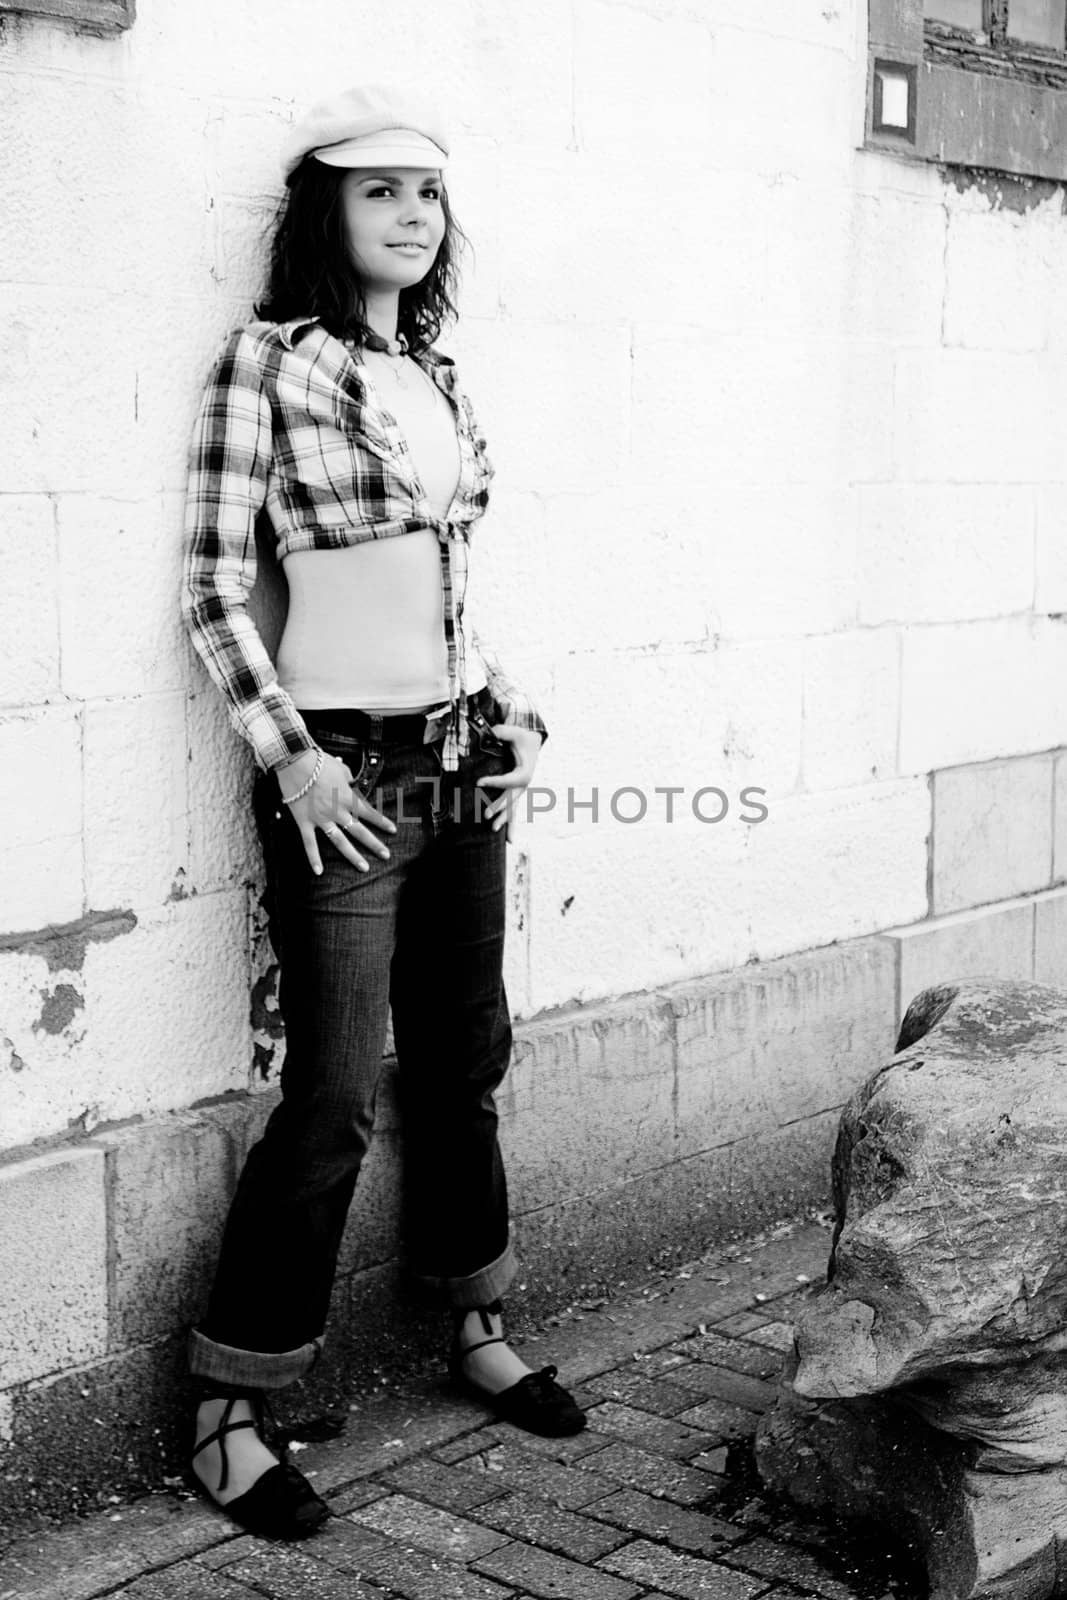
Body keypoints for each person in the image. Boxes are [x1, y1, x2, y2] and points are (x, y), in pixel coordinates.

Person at [180, 83, 584, 1542]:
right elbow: (217, 587)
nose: (414, 215)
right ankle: (231, 1405)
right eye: (381, 192)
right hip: (341, 768)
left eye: (430, 195)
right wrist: (293, 759)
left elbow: (444, 582)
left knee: (465, 1053)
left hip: (458, 758)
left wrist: (502, 699)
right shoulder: (268, 365)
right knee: (337, 1091)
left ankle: (474, 1322)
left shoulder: (442, 375)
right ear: (323, 216)